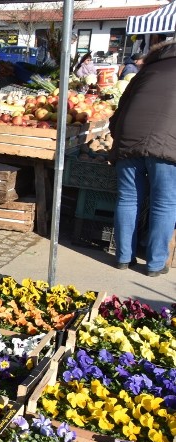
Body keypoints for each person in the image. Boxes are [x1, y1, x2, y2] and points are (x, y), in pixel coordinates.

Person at [108, 39, 176, 277]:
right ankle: (156, 264)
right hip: (168, 141)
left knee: (127, 197)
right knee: (164, 202)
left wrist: (118, 138)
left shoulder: (145, 72)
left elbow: (120, 110)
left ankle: (123, 258)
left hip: (129, 137)